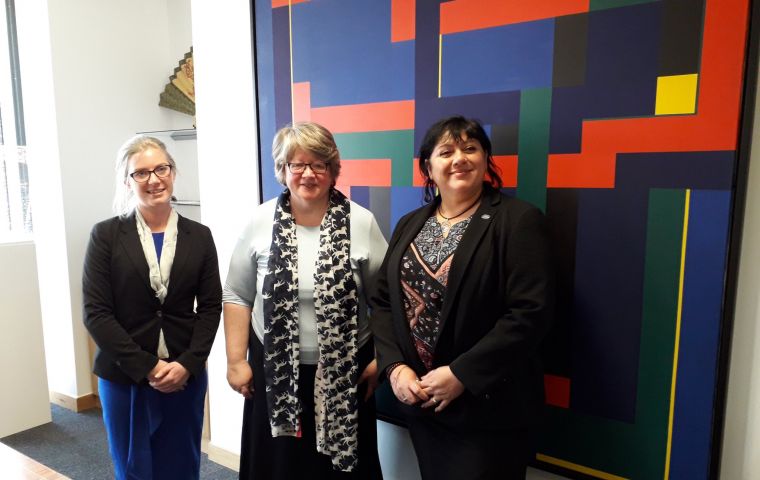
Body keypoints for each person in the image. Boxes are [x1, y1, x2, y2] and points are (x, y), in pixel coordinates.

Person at [370, 116, 554, 479]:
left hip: (487, 409)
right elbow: (382, 302)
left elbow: (530, 313)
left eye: (471, 149)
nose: (459, 159)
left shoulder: (518, 221)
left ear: (486, 160)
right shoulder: (411, 223)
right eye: (446, 152)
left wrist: (460, 375)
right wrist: (394, 369)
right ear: (428, 167)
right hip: (423, 404)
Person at [223, 121, 387, 479]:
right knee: (280, 466)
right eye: (297, 164)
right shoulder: (260, 221)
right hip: (275, 370)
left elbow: (386, 301)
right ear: (283, 170)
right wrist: (236, 360)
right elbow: (237, 294)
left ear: (332, 170)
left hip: (346, 373)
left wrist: (381, 358)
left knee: (338, 470)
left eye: (319, 164)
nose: (308, 174)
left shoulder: (361, 222)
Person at [82, 135, 222, 480]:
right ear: (127, 181)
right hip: (125, 375)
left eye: (161, 168)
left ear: (173, 173)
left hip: (183, 375)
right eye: (141, 173)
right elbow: (96, 313)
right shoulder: (106, 236)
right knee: (134, 468)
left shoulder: (200, 236)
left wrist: (187, 364)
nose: (154, 179)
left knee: (182, 464)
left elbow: (210, 306)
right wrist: (147, 367)